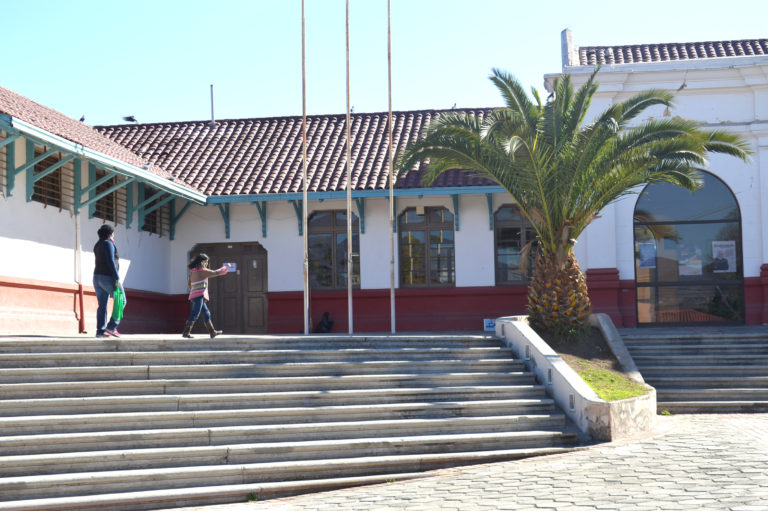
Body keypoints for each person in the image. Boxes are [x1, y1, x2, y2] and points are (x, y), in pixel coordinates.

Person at [183, 253, 231, 338]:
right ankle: (186, 333)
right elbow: (216, 272)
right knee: (195, 314)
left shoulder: (193, 271)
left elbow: (189, 284)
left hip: (194, 296)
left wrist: (194, 290)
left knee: (206, 313)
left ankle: (212, 332)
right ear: (201, 262)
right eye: (206, 262)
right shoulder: (203, 271)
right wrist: (226, 266)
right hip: (199, 296)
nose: (207, 264)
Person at [93, 224, 124, 338]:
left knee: (102, 305)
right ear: (110, 233)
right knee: (121, 300)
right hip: (108, 277)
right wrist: (117, 278)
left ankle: (100, 331)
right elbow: (111, 261)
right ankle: (111, 327)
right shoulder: (108, 243)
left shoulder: (97, 245)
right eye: (113, 232)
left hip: (97, 277)